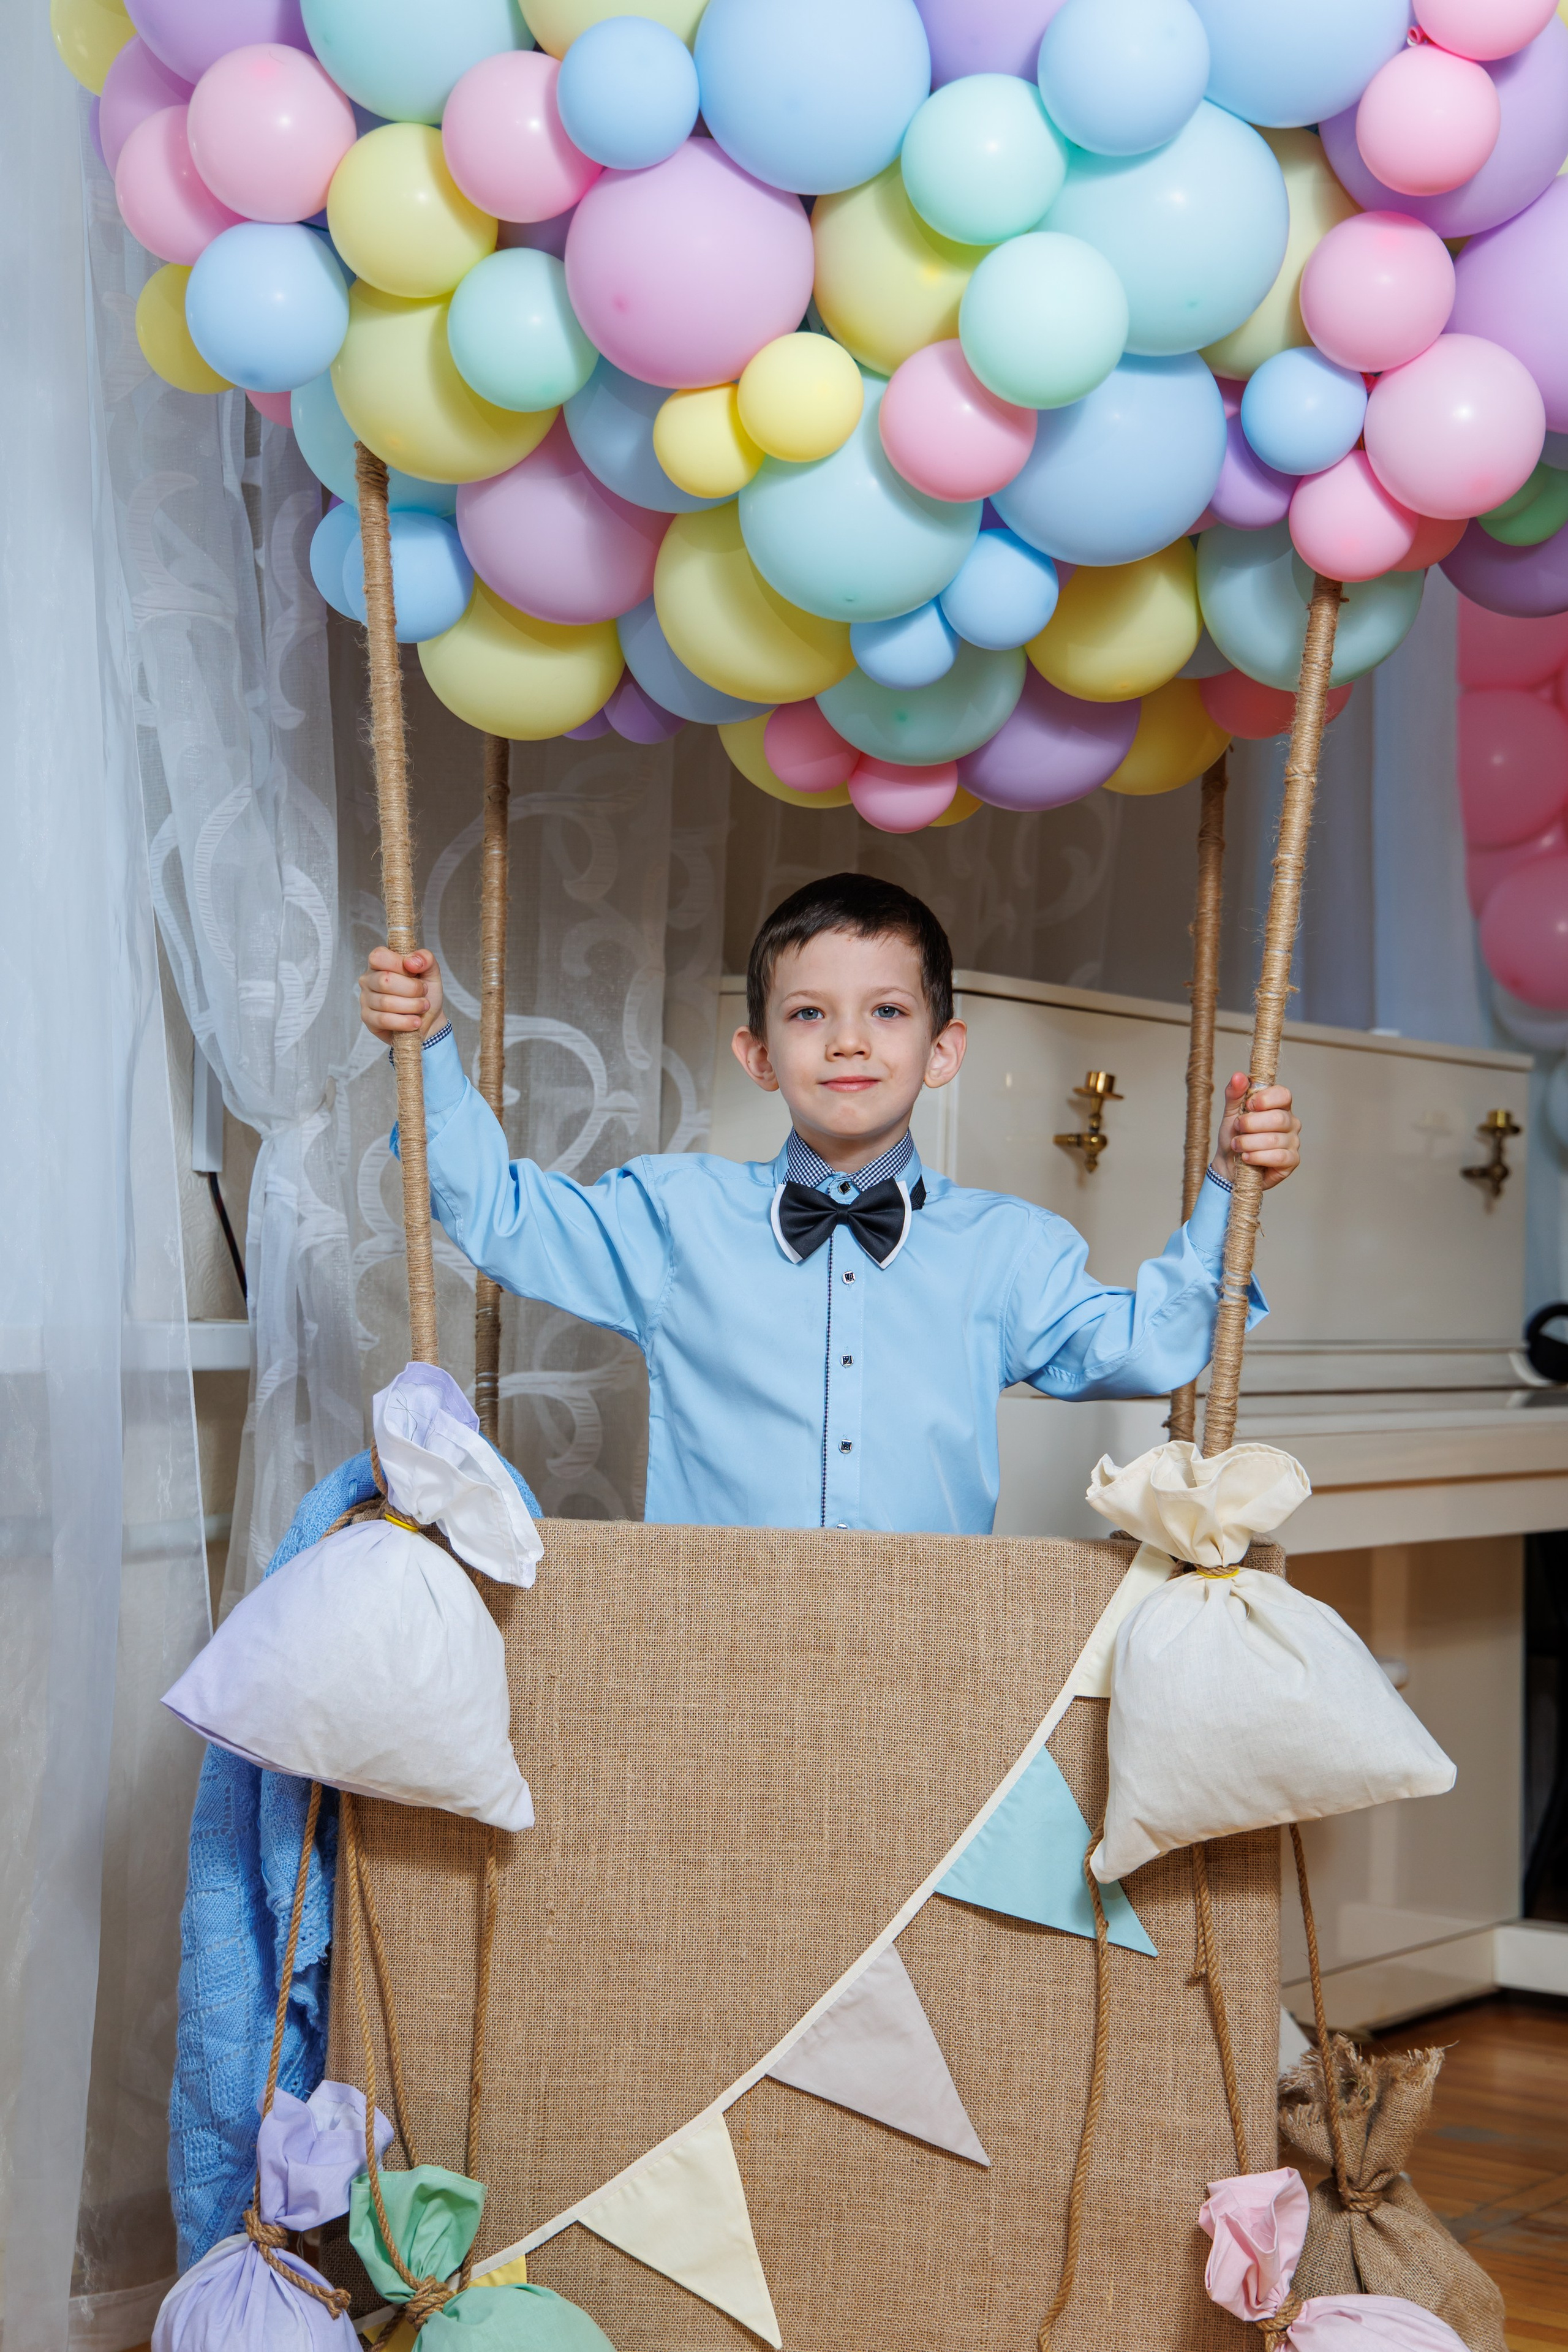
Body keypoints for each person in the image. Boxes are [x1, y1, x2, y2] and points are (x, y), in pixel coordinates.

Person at [358, 872, 1300, 1534]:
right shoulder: (673, 1218)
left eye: (887, 1011)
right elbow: (503, 1217)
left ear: (943, 1050)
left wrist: (1229, 1189)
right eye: (810, 1014)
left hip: (927, 1648)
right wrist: (430, 1048)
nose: (849, 1042)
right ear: (760, 1055)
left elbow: (1151, 1345)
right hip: (716, 1647)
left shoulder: (1008, 1252)